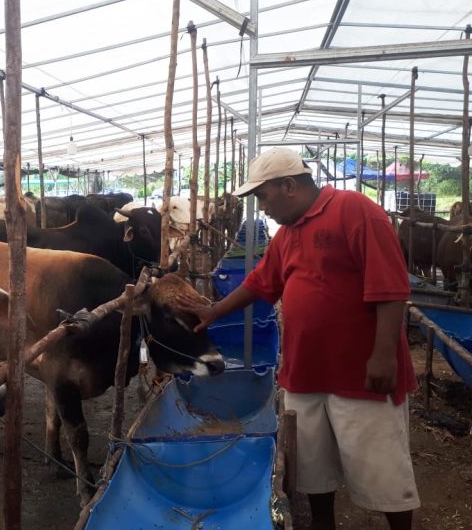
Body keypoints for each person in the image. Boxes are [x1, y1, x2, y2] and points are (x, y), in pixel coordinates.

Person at [177, 148, 419, 530]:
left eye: (263, 196)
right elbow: (261, 282)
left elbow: (390, 288)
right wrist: (214, 310)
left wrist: (384, 355)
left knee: (381, 466)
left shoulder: (356, 211)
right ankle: (323, 525)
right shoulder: (288, 233)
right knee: (311, 465)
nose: (262, 207)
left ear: (288, 186)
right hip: (305, 370)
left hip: (360, 371)